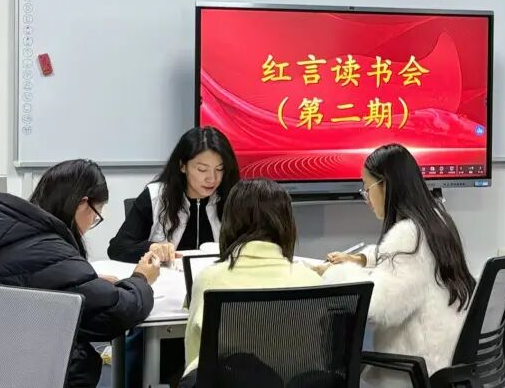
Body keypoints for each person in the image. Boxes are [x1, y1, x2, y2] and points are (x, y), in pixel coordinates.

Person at [0, 159, 160, 388]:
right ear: (82, 204)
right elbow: (118, 313)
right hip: (34, 370)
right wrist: (141, 278)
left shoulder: (0, 233)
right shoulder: (48, 249)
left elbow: (32, 280)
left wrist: (87, 281)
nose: (91, 224)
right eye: (96, 216)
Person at [322, 143, 475, 386]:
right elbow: (407, 264)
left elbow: (379, 308)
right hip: (444, 359)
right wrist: (361, 259)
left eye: (367, 188)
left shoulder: (408, 236)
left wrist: (335, 272)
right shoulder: (436, 220)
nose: (366, 198)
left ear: (386, 185)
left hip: (413, 372)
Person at [178, 178, 321, 388]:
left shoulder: (210, 279)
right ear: (287, 223)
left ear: (230, 222)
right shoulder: (312, 280)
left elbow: (195, 354)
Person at [109, 126, 240, 263]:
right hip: (167, 275)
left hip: (216, 275)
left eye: (219, 169)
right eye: (202, 169)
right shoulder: (156, 197)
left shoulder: (233, 198)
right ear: (183, 165)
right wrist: (152, 248)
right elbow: (118, 248)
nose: (212, 178)